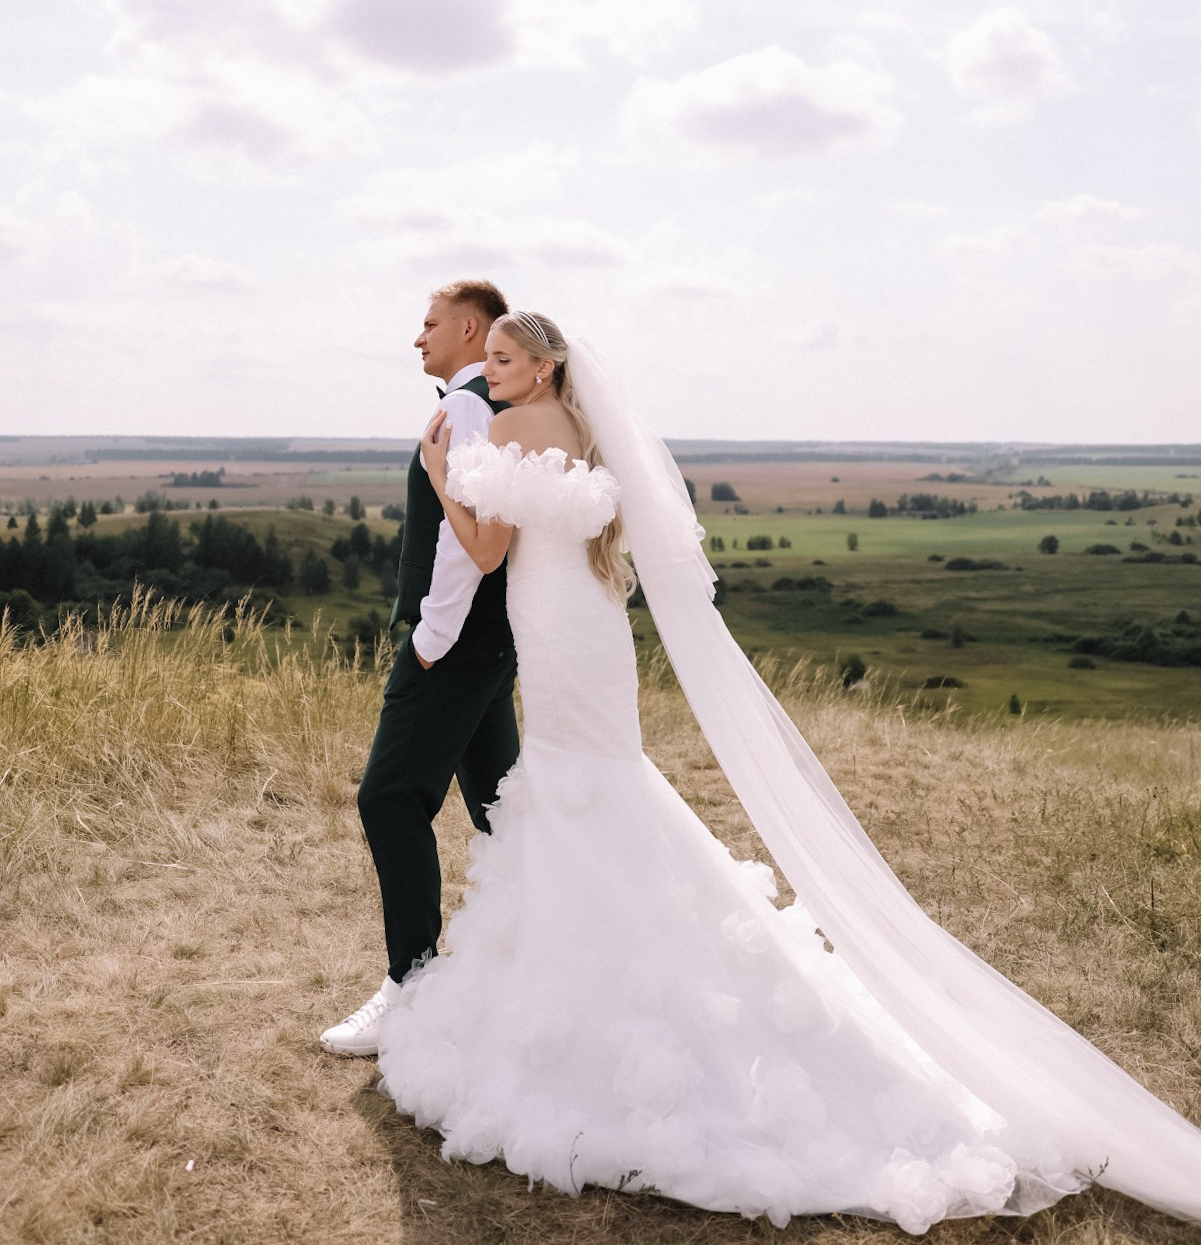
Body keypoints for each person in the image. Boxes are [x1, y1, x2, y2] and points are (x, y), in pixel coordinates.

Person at [376, 311, 1201, 1230]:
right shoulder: (574, 424)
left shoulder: (524, 425)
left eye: (501, 359)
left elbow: (487, 550)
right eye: (483, 358)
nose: (486, 374)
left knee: (580, 787)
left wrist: (442, 474)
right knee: (602, 782)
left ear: (541, 365)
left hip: (556, 623)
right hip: (583, 624)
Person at [320, 280, 519, 1056]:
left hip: (456, 642)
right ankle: (557, 955)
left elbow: (462, 542)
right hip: (488, 642)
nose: (418, 337)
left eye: (428, 323)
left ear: (470, 328)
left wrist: (429, 638)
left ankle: (411, 988)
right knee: (508, 811)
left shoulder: (469, 406)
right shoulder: (489, 403)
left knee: (390, 799)